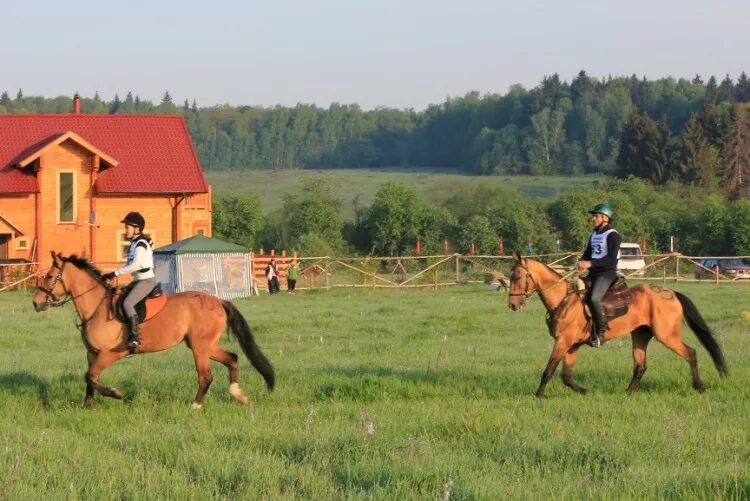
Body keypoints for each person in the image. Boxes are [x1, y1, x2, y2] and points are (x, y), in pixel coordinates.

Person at [102, 212, 155, 350]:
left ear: (136, 229)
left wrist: (116, 272)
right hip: (138, 280)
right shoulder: (134, 244)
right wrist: (111, 274)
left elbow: (136, 266)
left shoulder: (141, 244)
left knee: (127, 303)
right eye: (126, 227)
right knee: (118, 295)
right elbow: (128, 266)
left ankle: (135, 338)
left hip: (146, 281)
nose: (126, 230)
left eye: (128, 227)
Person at [578, 203, 621, 348]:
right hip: (593, 273)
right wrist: (582, 261)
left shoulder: (613, 235)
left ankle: (601, 333)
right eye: (593, 216)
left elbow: (611, 260)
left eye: (596, 216)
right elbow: (588, 253)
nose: (593, 219)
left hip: (606, 273)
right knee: (574, 291)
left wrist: (590, 264)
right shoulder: (594, 234)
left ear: (605, 218)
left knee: (594, 298)